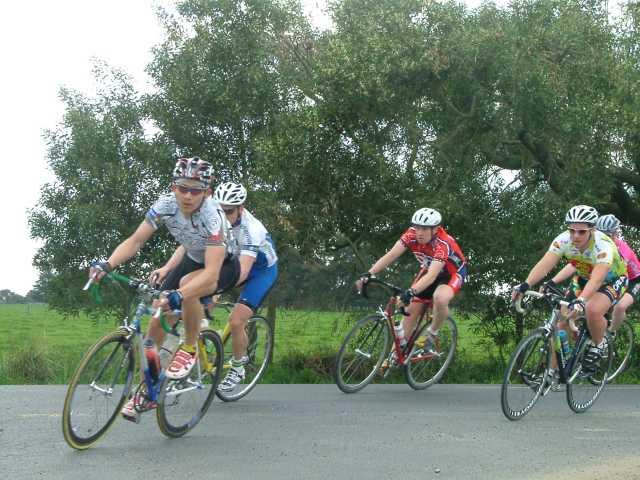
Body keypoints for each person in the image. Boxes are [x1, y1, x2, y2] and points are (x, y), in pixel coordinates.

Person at [89, 157, 237, 421]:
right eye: (183, 188)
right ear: (173, 187)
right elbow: (135, 241)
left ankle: (189, 347)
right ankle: (148, 392)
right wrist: (107, 264)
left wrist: (180, 294)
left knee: (187, 287)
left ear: (207, 193)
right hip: (192, 257)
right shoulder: (165, 205)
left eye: (196, 190)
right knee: (155, 323)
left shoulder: (212, 216)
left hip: (223, 264)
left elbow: (211, 275)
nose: (188, 195)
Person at [159, 182, 278, 393]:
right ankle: (199, 350)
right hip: (232, 262)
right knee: (194, 298)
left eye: (229, 211)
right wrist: (167, 267)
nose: (224, 215)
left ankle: (239, 366)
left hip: (259, 271)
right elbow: (188, 246)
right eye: (220, 210)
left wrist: (213, 290)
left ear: (241, 208)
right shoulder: (210, 216)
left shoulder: (253, 230)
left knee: (236, 320)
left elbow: (242, 272)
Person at [512, 205, 628, 374]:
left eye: (581, 232)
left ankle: (600, 343)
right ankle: (552, 372)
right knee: (562, 321)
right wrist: (525, 285)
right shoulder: (563, 240)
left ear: (592, 230)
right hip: (584, 278)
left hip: (612, 280)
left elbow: (597, 279)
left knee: (592, 309)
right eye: (572, 230)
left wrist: (581, 300)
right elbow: (545, 264)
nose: (575, 235)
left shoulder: (603, 245)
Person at [356, 208, 467, 354]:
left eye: (424, 229)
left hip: (452, 274)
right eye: (417, 227)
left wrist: (411, 292)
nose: (419, 232)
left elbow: (432, 276)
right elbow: (391, 255)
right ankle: (394, 357)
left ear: (435, 229)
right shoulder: (411, 234)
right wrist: (369, 273)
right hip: (430, 270)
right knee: (409, 312)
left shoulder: (442, 243)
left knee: (440, 298)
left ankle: (432, 334)